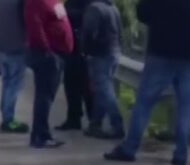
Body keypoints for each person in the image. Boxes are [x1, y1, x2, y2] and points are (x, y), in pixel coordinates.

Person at [103, 0, 190, 165]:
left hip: (161, 47)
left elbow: (143, 12)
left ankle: (130, 147)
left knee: (145, 101)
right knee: (186, 103)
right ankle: (182, 153)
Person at [25, 0, 74, 148]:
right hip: (47, 55)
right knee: (44, 97)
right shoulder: (36, 2)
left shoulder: (54, 1)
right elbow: (36, 27)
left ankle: (41, 134)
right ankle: (41, 136)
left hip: (59, 53)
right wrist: (47, 51)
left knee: (47, 96)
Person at [81, 0, 123, 139]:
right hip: (114, 52)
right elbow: (120, 31)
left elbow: (88, 32)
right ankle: (95, 124)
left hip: (100, 54)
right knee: (102, 90)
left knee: (105, 91)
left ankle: (117, 125)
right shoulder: (113, 7)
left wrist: (85, 51)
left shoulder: (94, 8)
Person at [0, 0, 30, 133]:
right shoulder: (20, 2)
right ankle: (8, 120)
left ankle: (6, 117)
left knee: (7, 84)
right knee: (14, 85)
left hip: (2, 46)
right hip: (16, 47)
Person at [57, 0, 93, 131]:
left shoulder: (89, 4)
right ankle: (74, 118)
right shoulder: (70, 3)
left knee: (86, 86)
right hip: (71, 48)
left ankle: (93, 120)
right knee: (71, 84)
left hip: (84, 49)